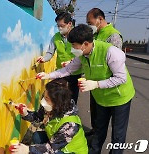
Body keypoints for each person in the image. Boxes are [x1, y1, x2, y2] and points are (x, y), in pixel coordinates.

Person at [37, 24, 135, 154]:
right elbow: (68, 69)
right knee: (99, 130)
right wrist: (48, 75)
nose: (72, 49)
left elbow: (121, 78)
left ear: (85, 43)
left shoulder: (111, 52)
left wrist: (96, 84)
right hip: (101, 99)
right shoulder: (82, 55)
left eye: (74, 45)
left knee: (118, 135)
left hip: (119, 98)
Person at [10, 79, 88, 154]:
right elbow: (38, 117)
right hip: (57, 143)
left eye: (47, 98)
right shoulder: (50, 107)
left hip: (70, 151)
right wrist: (25, 113)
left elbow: (51, 148)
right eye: (44, 96)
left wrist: (27, 150)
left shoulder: (70, 125)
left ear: (57, 102)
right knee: (37, 136)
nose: (43, 101)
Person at [86, 8, 124, 136]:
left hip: (107, 85)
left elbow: (116, 65)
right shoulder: (95, 34)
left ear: (100, 19)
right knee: (94, 112)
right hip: (94, 82)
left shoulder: (113, 36)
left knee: (109, 120)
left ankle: (100, 138)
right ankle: (94, 132)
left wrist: (101, 83)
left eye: (90, 22)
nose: (89, 25)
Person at [36, 12, 82, 104]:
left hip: (75, 71)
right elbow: (50, 52)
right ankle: (58, 113)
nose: (60, 28)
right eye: (58, 26)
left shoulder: (77, 36)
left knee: (72, 96)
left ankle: (70, 114)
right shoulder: (56, 37)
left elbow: (82, 53)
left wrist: (71, 62)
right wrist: (44, 59)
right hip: (61, 71)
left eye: (62, 25)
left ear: (69, 24)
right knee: (57, 95)